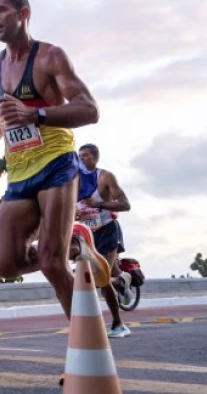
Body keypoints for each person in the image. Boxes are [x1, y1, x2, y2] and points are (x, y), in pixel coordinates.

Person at [0, 0, 111, 321]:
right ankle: (76, 244)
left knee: (51, 264)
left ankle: (86, 349)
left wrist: (36, 115)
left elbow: (90, 110)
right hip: (19, 172)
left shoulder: (50, 57)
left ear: (24, 14)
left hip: (56, 163)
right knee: (4, 263)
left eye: (1, 11)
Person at [76, 143, 133, 338]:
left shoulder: (105, 177)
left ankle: (118, 324)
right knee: (93, 278)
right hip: (86, 235)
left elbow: (125, 205)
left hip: (107, 231)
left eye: (85, 156)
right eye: (79, 156)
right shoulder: (73, 181)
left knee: (99, 278)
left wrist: (99, 204)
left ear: (95, 158)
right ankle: (122, 281)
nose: (81, 159)